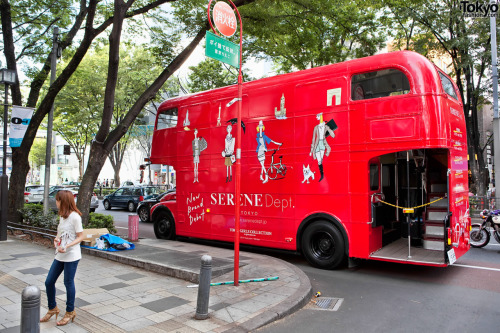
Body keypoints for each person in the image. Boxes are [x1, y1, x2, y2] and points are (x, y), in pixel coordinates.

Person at [40, 190, 84, 326]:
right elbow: (60, 233)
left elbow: (81, 236)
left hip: (72, 255)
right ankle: (52, 308)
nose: (56, 202)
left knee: (68, 282)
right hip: (60, 254)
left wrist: (68, 245)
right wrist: (56, 240)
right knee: (49, 282)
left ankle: (70, 311)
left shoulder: (75, 217)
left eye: (58, 200)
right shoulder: (62, 216)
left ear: (63, 201)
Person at [310, 112, 335, 182]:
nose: (316, 118)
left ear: (320, 117)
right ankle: (322, 175)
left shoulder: (326, 126)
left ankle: (322, 175)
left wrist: (330, 131)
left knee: (320, 160)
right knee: (319, 161)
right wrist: (311, 150)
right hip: (317, 145)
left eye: (317, 116)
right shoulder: (316, 127)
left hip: (323, 143)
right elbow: (313, 138)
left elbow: (332, 134)